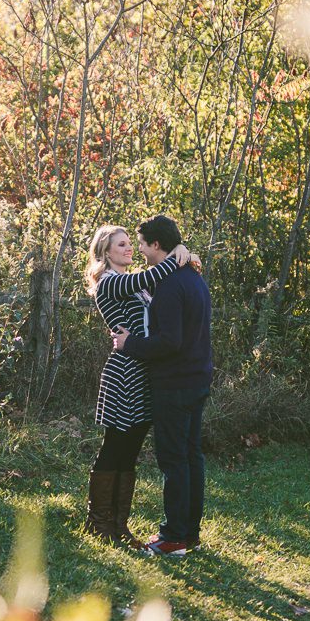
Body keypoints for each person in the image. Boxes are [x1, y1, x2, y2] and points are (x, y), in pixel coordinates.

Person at [110, 215, 213, 557]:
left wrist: (130, 345)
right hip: (197, 377)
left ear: (156, 245)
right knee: (191, 457)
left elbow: (169, 341)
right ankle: (190, 533)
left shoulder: (170, 285)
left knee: (174, 461)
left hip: (175, 382)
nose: (138, 250)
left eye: (140, 243)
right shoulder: (193, 277)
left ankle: (172, 538)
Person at [81, 224, 191, 545]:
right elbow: (147, 277)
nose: (129, 249)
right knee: (115, 445)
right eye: (121, 245)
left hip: (143, 372)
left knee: (130, 450)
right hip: (124, 373)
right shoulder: (110, 282)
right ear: (105, 252)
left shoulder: (134, 287)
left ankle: (119, 525)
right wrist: (176, 255)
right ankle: (98, 522)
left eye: (130, 244)